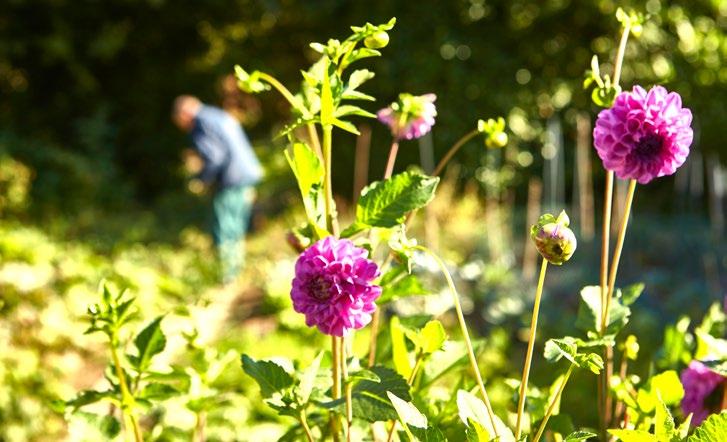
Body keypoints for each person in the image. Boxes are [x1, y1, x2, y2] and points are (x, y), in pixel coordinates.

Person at [172, 95, 263, 283]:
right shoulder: (216, 115)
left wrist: (201, 180)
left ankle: (227, 276)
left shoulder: (201, 123)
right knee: (237, 224)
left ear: (184, 114)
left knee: (225, 226)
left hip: (231, 179)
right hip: (247, 174)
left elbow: (214, 157)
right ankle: (236, 271)